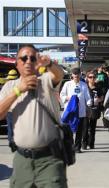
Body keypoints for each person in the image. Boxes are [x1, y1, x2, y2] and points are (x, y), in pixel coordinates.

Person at [0, 44, 67, 187]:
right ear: (17, 64)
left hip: (49, 158)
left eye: (32, 58)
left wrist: (49, 63)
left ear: (37, 62)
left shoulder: (46, 80)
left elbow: (59, 74)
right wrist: (19, 90)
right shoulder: (10, 87)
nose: (28, 61)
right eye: (23, 58)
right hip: (22, 159)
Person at [60, 68, 91, 153]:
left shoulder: (83, 85)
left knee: (79, 130)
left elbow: (87, 97)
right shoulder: (67, 84)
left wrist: (89, 103)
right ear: (72, 75)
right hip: (70, 111)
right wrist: (68, 98)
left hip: (80, 111)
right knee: (69, 130)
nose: (76, 76)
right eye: (74, 75)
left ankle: (77, 147)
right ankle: (70, 146)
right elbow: (62, 94)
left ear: (80, 75)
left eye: (77, 75)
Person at [86, 71, 104, 149]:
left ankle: (91, 143)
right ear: (87, 78)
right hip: (86, 110)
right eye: (90, 77)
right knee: (85, 128)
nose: (92, 79)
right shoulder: (85, 87)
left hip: (94, 109)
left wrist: (99, 100)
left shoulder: (98, 87)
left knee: (92, 128)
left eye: (93, 77)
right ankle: (84, 142)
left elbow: (102, 97)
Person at [5, 69, 19, 152]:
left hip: (10, 110)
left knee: (10, 127)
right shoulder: (19, 84)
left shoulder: (7, 85)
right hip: (17, 109)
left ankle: (12, 143)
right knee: (16, 127)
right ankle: (15, 143)